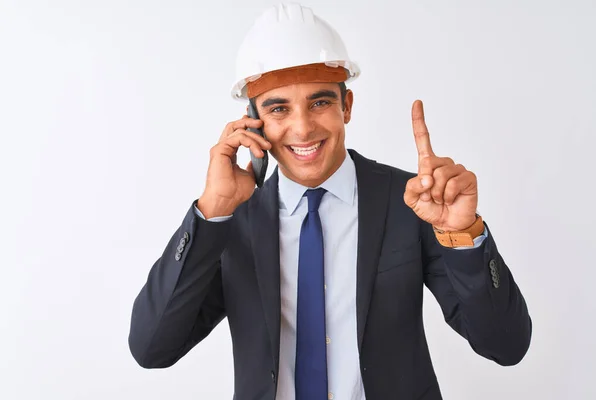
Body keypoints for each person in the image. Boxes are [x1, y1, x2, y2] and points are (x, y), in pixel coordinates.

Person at [128, 3, 532, 399]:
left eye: (320, 102)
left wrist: (462, 233)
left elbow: (506, 345)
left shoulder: (413, 203)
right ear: (253, 123)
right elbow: (151, 348)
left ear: (347, 107)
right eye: (279, 108)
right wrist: (213, 209)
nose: (302, 128)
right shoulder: (233, 220)